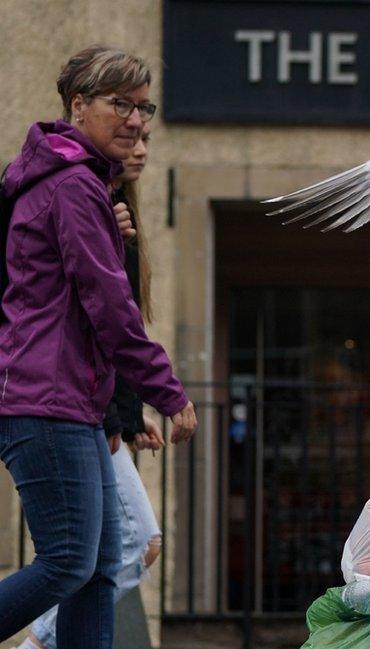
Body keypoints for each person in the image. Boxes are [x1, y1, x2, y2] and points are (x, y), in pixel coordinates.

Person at [0, 46, 196, 648]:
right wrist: (165, 390)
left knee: (100, 568)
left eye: (144, 107)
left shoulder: (74, 186)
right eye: (121, 104)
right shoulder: (73, 186)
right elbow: (110, 308)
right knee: (67, 562)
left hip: (70, 404)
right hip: (46, 400)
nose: (137, 120)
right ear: (78, 105)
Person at [19, 125, 165, 649]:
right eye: (130, 132)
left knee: (106, 559)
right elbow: (101, 321)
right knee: (93, 557)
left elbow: (119, 326)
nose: (140, 147)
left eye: (146, 131)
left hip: (91, 407)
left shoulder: (115, 215)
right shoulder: (76, 199)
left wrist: (128, 414)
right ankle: (37, 644)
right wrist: (115, 417)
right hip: (70, 408)